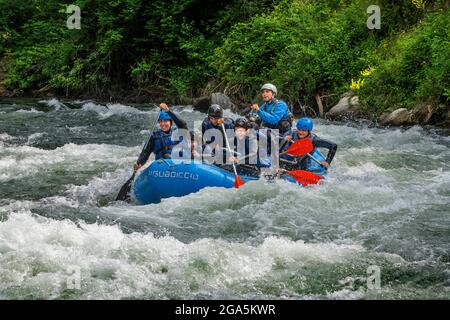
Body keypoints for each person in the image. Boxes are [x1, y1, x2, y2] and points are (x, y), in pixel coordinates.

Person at [133, 103, 188, 171]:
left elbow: (183, 124)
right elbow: (145, 153)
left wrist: (168, 111)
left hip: (178, 167)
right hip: (161, 169)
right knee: (165, 157)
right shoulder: (154, 137)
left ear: (170, 122)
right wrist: (139, 163)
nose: (162, 124)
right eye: (161, 121)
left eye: (165, 121)